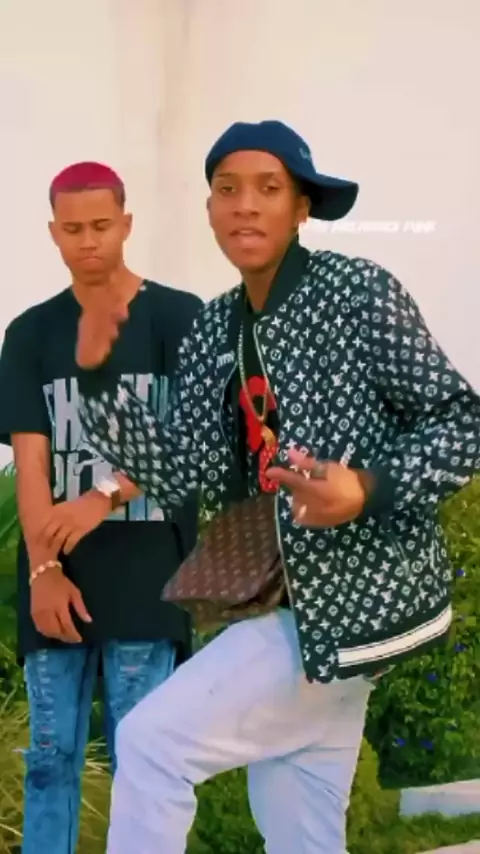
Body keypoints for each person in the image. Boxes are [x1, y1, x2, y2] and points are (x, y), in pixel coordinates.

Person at [75, 123, 480, 854]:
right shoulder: (214, 330)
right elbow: (187, 473)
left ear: (301, 208)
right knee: (301, 834)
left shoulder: (356, 292)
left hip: (354, 600)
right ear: (209, 209)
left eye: (269, 188)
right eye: (227, 189)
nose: (245, 205)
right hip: (281, 608)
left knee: (151, 744)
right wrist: (101, 384)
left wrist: (366, 487)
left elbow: (462, 421)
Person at [0, 161, 201, 854]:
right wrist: (42, 572)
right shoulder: (30, 334)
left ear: (126, 225)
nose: (88, 241)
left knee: (140, 759)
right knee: (49, 761)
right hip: (59, 580)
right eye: (73, 228)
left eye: (101, 225)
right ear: (53, 233)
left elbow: (192, 439)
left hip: (150, 576)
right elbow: (31, 463)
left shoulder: (178, 317)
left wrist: (103, 495)